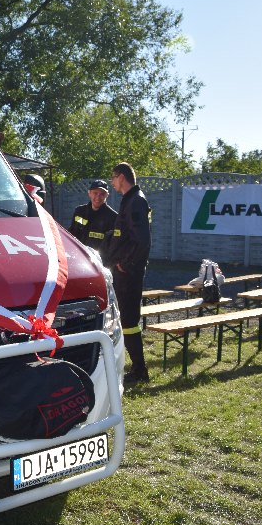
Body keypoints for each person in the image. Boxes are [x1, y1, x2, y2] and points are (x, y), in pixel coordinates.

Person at [106, 162, 151, 385]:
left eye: (113, 177)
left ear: (122, 177)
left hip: (128, 274)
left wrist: (126, 264)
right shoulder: (130, 200)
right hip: (123, 272)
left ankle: (140, 370)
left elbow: (142, 241)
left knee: (129, 321)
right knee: (125, 319)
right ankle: (135, 366)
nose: (112, 182)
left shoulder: (136, 201)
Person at [68, 179, 117, 255]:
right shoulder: (79, 212)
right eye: (95, 193)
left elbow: (113, 245)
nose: (98, 197)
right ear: (89, 193)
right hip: (79, 256)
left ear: (107, 195)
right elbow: (72, 233)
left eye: (102, 194)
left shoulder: (113, 217)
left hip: (99, 260)